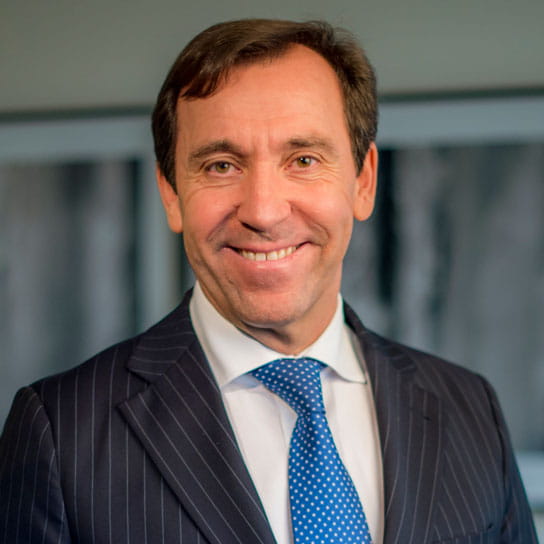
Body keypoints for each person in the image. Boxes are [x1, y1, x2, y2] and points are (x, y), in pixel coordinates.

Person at [0, 19, 538, 544]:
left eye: (303, 159)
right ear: (171, 193)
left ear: (363, 181)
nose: (262, 211)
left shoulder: (469, 408)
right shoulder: (60, 432)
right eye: (221, 165)